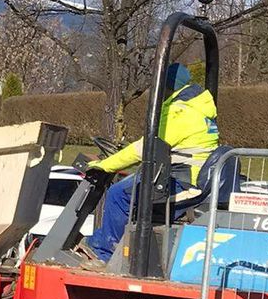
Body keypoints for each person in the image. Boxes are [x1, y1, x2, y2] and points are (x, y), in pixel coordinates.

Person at [83, 64, 219, 263]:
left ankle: (105, 253)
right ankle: (105, 242)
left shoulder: (180, 113)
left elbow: (146, 147)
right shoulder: (196, 109)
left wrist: (105, 165)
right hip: (186, 175)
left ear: (166, 86)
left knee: (118, 194)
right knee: (130, 189)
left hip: (183, 181)